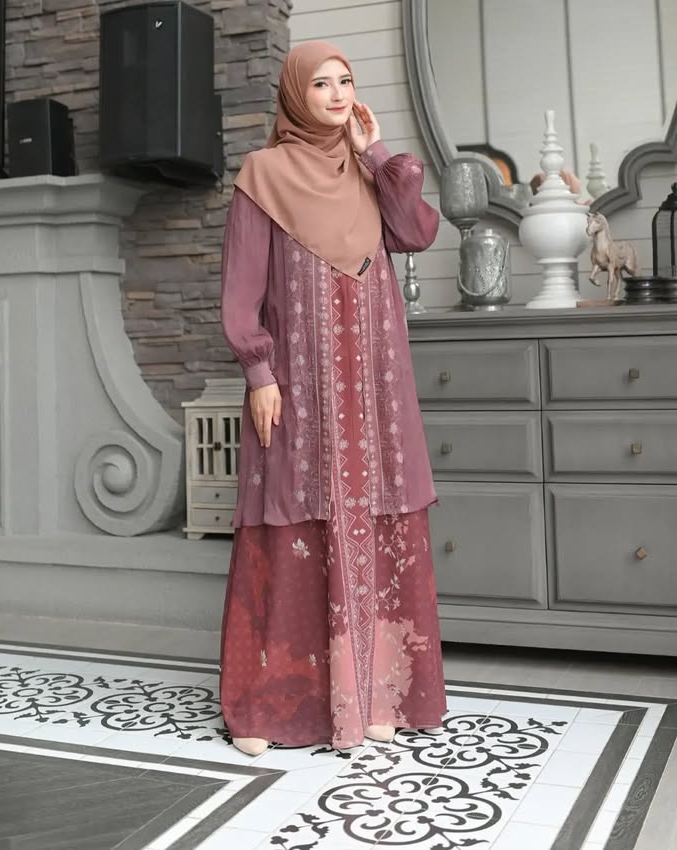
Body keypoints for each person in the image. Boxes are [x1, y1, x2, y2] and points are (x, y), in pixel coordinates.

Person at [219, 40, 446, 757]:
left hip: (375, 383)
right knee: (293, 511)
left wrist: (375, 154)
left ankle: (378, 693)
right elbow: (242, 287)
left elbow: (415, 232)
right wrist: (260, 374)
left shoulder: (367, 174)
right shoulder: (264, 175)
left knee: (374, 508)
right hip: (301, 385)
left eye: (345, 81)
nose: (338, 93)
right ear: (295, 93)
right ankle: (273, 703)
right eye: (321, 83)